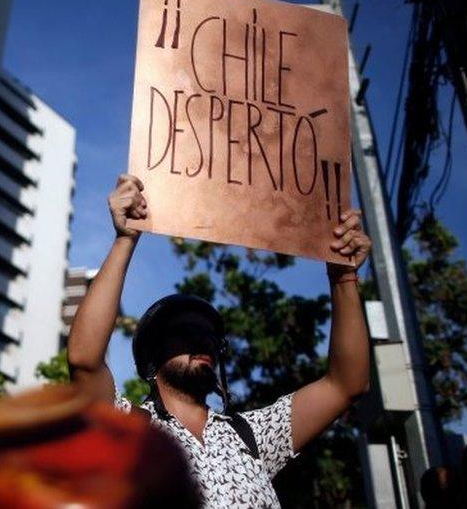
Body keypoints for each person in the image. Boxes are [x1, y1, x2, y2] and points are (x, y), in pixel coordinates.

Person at [67, 174, 372, 507]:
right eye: (185, 333)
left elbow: (346, 384)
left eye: (211, 337)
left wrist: (344, 277)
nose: (203, 343)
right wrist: (125, 239)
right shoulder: (128, 429)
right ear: (151, 360)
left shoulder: (253, 435)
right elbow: (84, 359)